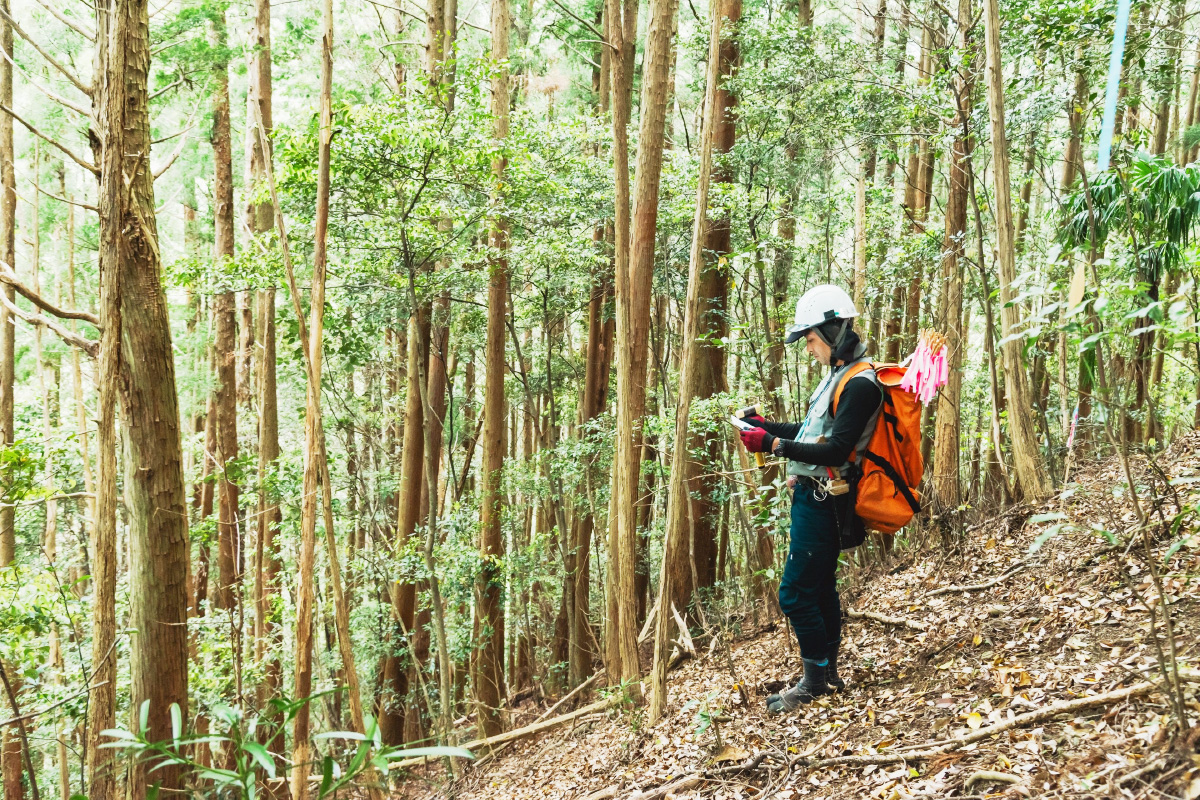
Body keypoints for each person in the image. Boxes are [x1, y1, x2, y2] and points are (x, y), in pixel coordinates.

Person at [737, 284, 883, 713]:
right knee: (819, 588)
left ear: (833, 332)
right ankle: (826, 674)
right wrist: (767, 427)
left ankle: (815, 680)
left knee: (795, 593)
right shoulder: (838, 378)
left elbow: (837, 450)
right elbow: (810, 430)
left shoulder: (862, 385)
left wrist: (773, 446)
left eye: (811, 340)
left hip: (827, 501)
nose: (809, 349)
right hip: (812, 497)